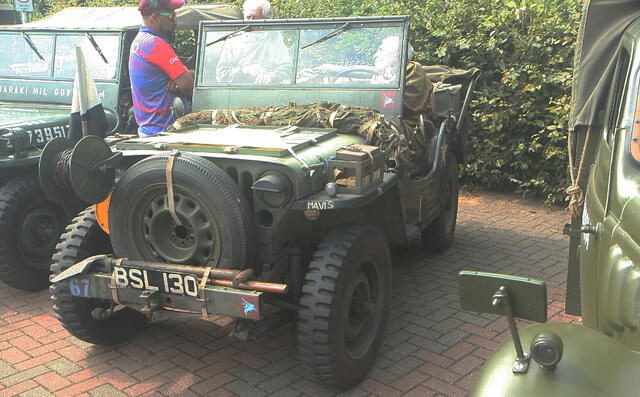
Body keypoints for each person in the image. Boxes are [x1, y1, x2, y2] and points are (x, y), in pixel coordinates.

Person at [129, 0, 194, 136]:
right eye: (172, 16)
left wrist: (177, 81)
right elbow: (189, 85)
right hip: (164, 133)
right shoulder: (156, 44)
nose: (175, 22)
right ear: (155, 18)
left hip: (149, 129)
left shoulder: (140, 41)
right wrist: (180, 82)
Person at [215, 0, 292, 84]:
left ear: (266, 19)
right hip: (238, 91)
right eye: (248, 17)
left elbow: (287, 68)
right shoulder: (233, 40)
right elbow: (221, 75)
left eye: (255, 18)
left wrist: (271, 77)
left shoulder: (274, 37)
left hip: (269, 90)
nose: (250, 22)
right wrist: (245, 70)